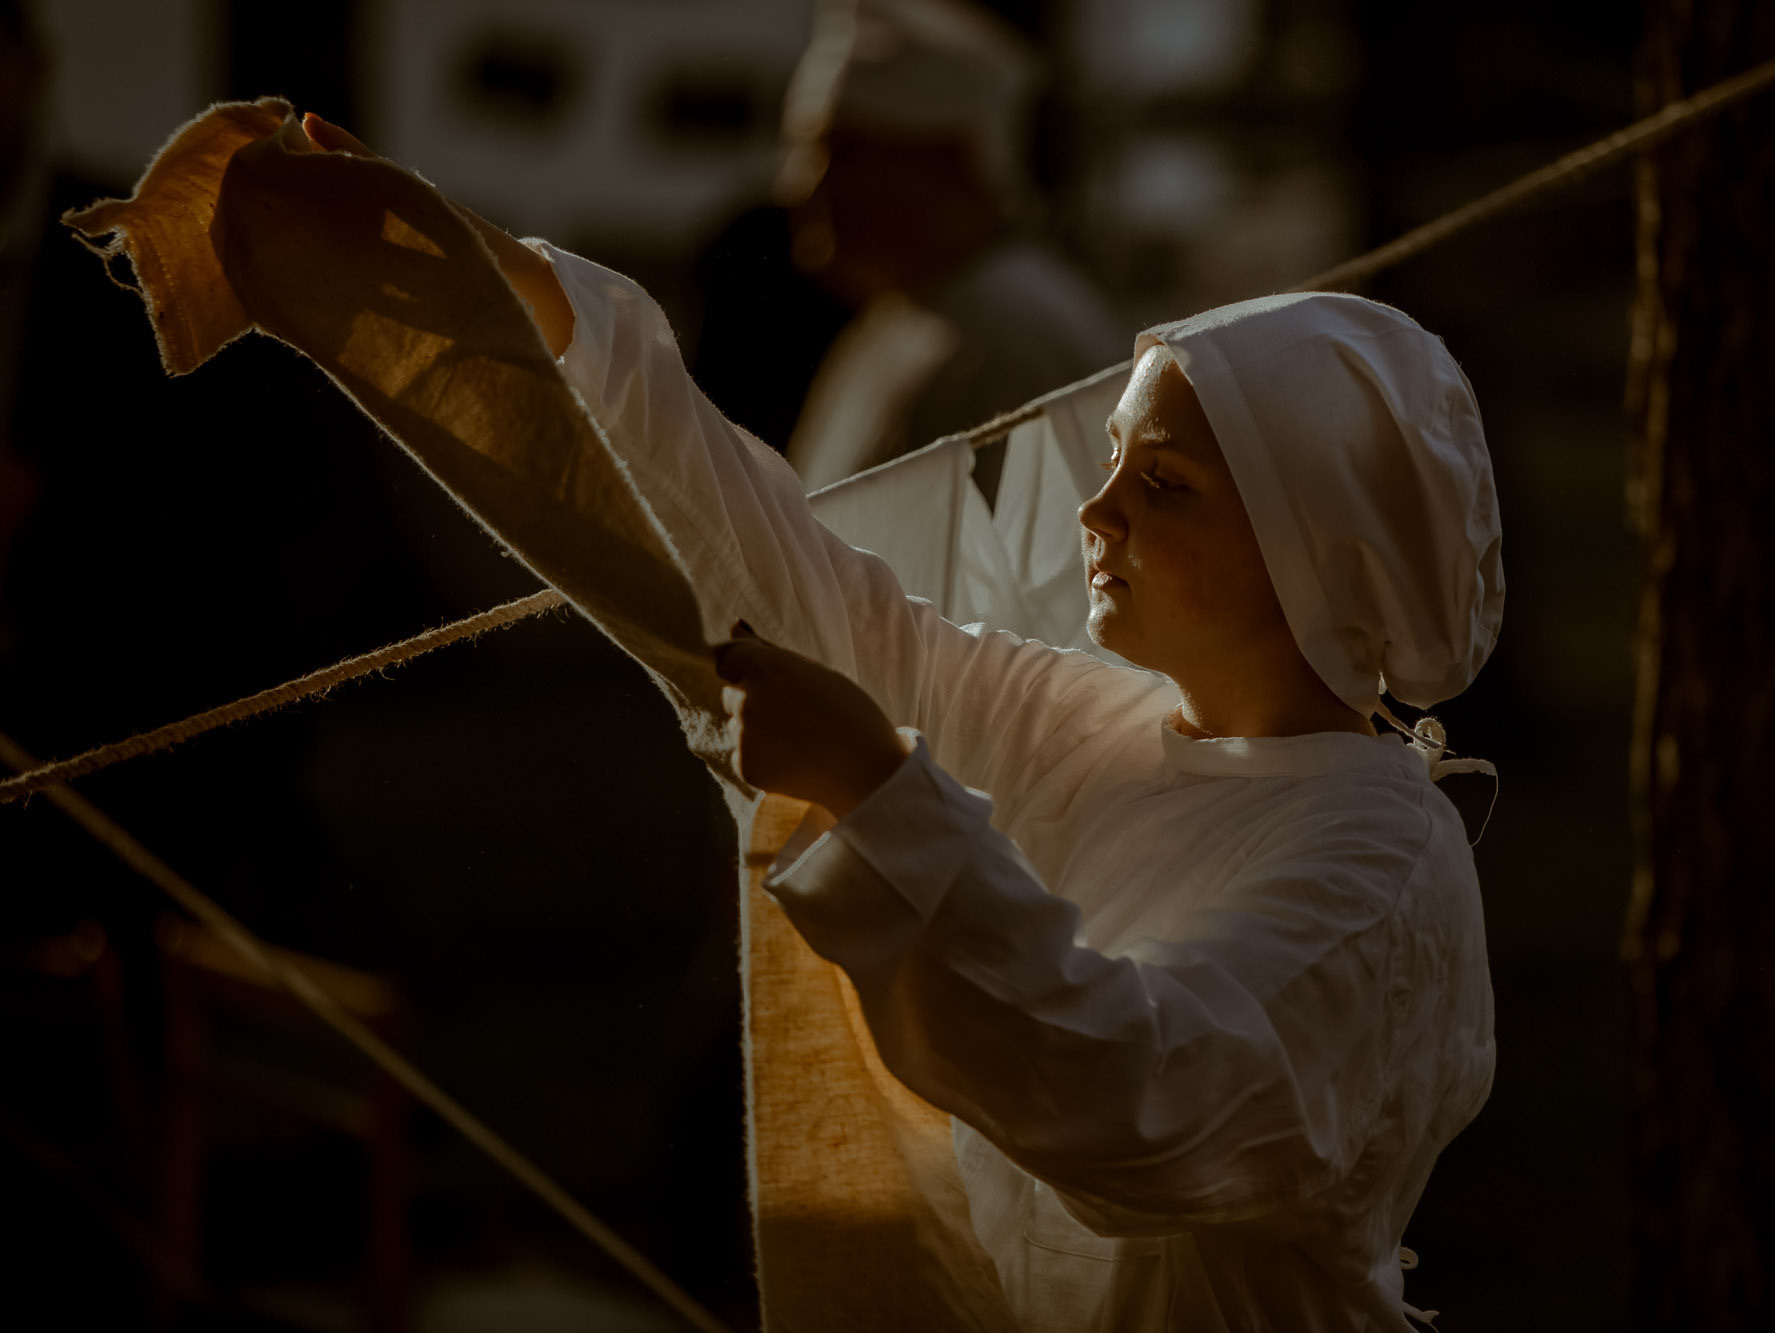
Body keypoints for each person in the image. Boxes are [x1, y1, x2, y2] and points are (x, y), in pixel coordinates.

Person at [303, 108, 1501, 1332]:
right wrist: (521, 297)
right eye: (1109, 459)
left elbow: (1137, 1100)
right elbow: (803, 596)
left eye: (1163, 484)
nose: (1094, 511)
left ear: (1315, 552)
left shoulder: (1375, 868)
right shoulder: (1101, 728)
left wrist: (881, 787)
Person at [772, 0, 1127, 495]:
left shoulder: (1011, 337)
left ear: (950, 161)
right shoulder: (914, 317)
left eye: (844, 155)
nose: (801, 186)